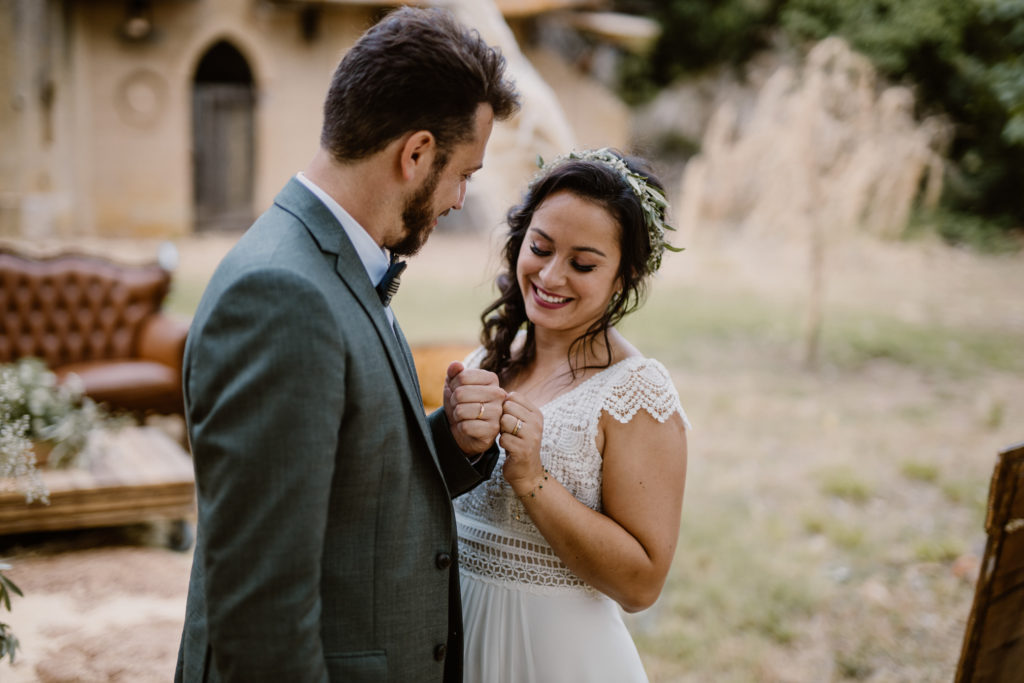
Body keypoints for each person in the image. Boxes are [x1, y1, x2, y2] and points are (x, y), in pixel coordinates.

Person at [175, 8, 519, 682]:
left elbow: (342, 479)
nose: (458, 198)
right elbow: (261, 612)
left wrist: (453, 439)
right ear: (415, 153)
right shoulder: (281, 296)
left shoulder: (332, 260)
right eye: (463, 174)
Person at [452, 148, 690, 682]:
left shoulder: (636, 392)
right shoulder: (486, 363)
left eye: (583, 264)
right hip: (460, 646)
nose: (551, 276)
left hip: (557, 662)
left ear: (624, 278)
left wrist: (533, 478)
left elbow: (641, 585)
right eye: (540, 248)